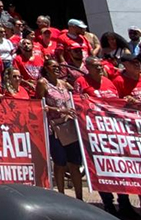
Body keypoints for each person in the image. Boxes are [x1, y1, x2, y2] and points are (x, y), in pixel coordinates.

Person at [36, 57, 83, 200]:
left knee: (74, 163)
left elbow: (76, 96)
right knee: (60, 162)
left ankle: (79, 197)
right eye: (53, 66)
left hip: (69, 126)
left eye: (58, 66)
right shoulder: (43, 84)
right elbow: (39, 104)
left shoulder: (64, 84)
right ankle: (61, 196)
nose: (56, 69)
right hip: (54, 128)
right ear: (46, 68)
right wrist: (59, 110)